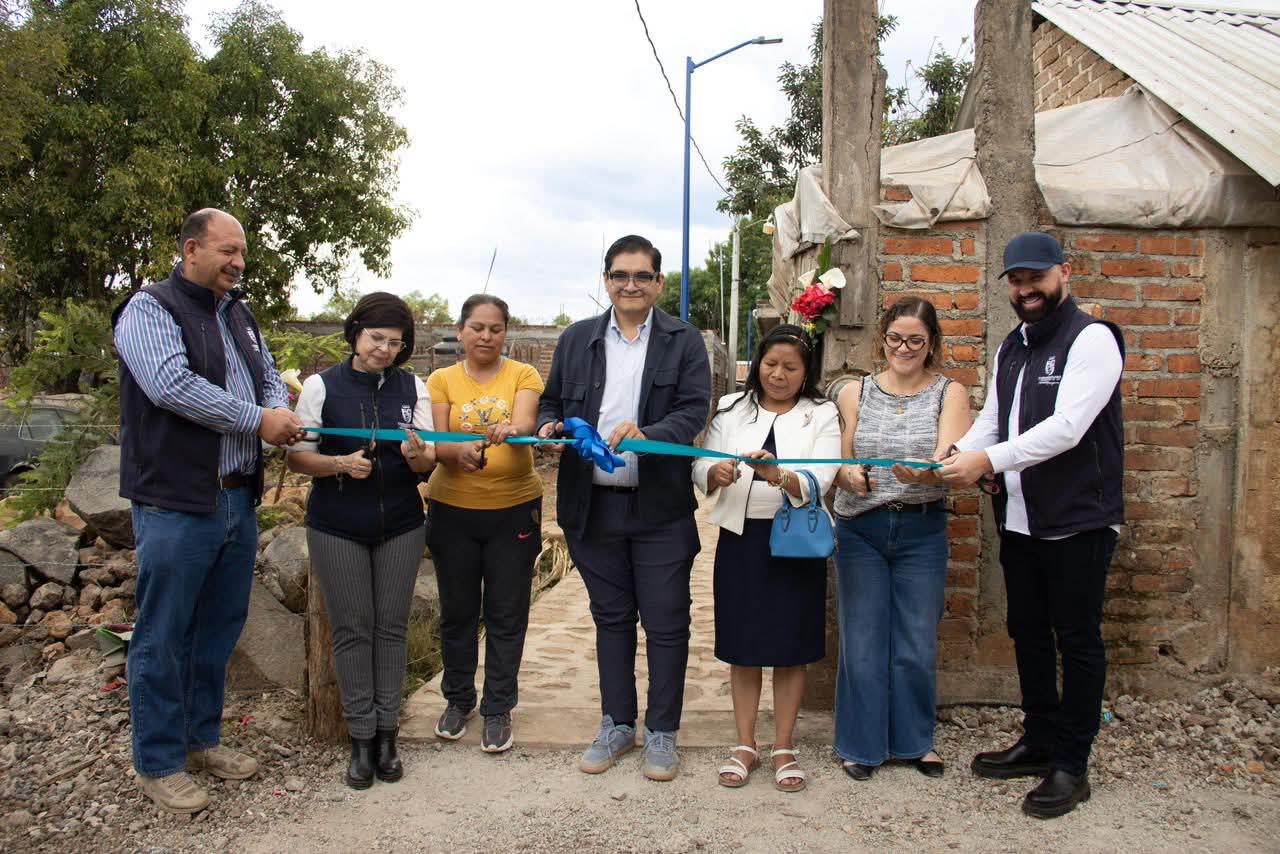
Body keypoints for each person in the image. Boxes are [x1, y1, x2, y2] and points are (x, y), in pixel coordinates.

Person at [113, 208, 304, 814]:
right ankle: (160, 761)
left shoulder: (238, 314)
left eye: (242, 253)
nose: (238, 263)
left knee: (217, 631)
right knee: (163, 634)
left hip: (234, 495)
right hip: (176, 499)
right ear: (191, 249)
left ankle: (201, 741)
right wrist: (258, 419)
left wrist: (274, 408)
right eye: (228, 252)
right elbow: (170, 385)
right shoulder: (149, 309)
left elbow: (269, 376)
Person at [939, 231, 1124, 819]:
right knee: (1027, 631)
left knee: (1078, 639)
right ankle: (1040, 738)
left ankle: (1073, 762)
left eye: (1036, 278)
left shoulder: (1093, 339)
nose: (1026, 289)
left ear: (1063, 273)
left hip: (1078, 521)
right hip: (1019, 520)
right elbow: (994, 421)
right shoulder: (1011, 346)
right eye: (1016, 281)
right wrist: (951, 456)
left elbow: (1068, 428)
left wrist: (984, 462)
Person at [537, 234, 711, 781]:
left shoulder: (684, 342)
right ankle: (616, 723)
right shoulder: (577, 338)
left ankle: (662, 732)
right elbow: (551, 400)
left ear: (659, 283)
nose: (630, 285)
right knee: (610, 619)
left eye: (642, 276)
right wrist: (549, 426)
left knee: (666, 623)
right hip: (592, 507)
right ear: (606, 280)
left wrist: (649, 433)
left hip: (659, 507)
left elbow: (692, 411)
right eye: (620, 275)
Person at [286, 292, 435, 789]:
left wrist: (417, 454)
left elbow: (427, 462)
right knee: (352, 629)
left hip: (401, 522)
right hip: (336, 524)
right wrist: (338, 464)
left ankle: (388, 735)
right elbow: (297, 457)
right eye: (376, 338)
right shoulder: (320, 386)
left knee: (391, 627)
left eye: (395, 342)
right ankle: (361, 739)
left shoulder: (415, 387)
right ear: (355, 333)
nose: (384, 350)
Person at [692, 325, 840, 793]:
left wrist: (779, 476)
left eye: (790, 368)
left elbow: (824, 479)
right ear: (757, 364)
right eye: (770, 364)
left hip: (794, 543)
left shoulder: (822, 413)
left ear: (806, 372)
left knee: (790, 649)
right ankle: (744, 744)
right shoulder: (732, 408)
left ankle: (784, 745)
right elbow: (701, 462)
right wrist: (711, 471)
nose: (778, 375)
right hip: (742, 539)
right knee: (744, 647)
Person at [832, 296, 971, 783]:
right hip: (861, 528)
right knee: (863, 641)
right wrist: (848, 478)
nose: (904, 348)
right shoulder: (855, 392)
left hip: (921, 527)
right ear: (882, 339)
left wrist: (928, 476)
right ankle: (861, 745)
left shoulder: (949, 393)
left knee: (915, 643)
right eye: (895, 338)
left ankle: (915, 741)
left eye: (916, 339)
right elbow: (843, 458)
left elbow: (950, 460)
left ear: (931, 343)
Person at [426, 294, 544, 754]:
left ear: (505, 333)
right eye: (477, 327)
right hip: (452, 508)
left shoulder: (523, 375)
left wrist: (511, 431)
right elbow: (437, 443)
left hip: (514, 507)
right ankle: (458, 700)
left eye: (495, 328)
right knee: (457, 612)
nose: (486, 336)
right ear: (460, 332)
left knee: (506, 613)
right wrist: (457, 452)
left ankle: (499, 707)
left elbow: (525, 423)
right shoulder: (441, 380)